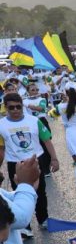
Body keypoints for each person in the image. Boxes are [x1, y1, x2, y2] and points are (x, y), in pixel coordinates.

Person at [1, 93, 58, 225]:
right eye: (11, 107)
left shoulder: (34, 121)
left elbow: (47, 140)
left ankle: (43, 219)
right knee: (18, 194)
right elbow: (1, 149)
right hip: (15, 164)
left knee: (40, 192)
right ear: (6, 107)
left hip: (36, 161)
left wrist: (54, 159)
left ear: (22, 106)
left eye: (18, 107)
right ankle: (25, 227)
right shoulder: (1, 125)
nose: (15, 110)